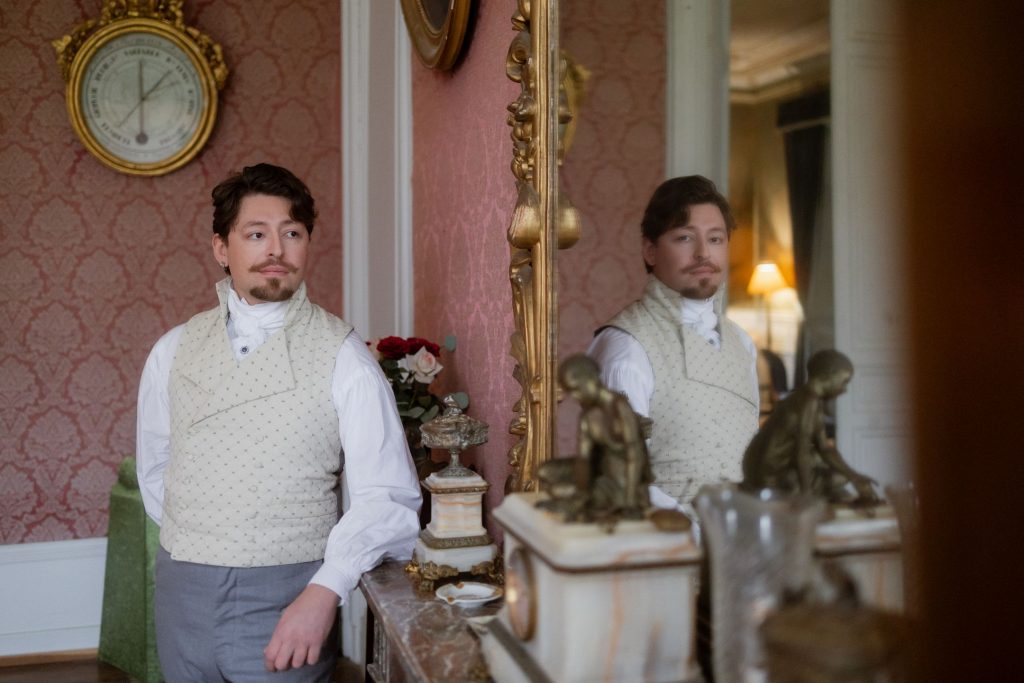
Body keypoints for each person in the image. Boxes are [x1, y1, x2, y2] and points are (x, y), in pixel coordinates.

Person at [136, 163, 422, 682]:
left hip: (290, 597)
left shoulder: (344, 358)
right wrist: (203, 542)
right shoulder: (171, 350)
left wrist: (324, 589)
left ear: (308, 243)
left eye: (292, 233)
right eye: (256, 234)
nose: (276, 250)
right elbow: (156, 467)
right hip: (182, 595)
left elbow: (388, 495)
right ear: (221, 248)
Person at [588, 176, 759, 506]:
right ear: (650, 250)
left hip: (746, 539)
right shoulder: (626, 347)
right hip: (668, 546)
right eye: (684, 238)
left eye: (715, 239)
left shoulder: (742, 343)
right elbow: (621, 480)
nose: (703, 253)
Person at [741, 349, 880, 505]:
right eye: (844, 381)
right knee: (837, 479)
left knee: (837, 473)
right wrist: (807, 497)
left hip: (757, 469)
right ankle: (798, 492)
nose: (844, 389)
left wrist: (855, 476)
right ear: (830, 375)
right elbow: (802, 454)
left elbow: (825, 449)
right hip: (767, 477)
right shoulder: (808, 404)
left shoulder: (807, 398)